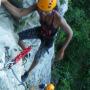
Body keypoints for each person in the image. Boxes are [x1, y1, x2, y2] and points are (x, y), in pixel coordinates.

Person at [1, 0, 73, 81]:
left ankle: (27, 73)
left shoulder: (58, 19)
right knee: (18, 37)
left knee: (37, 57)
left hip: (48, 40)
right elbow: (20, 12)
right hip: (40, 31)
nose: (42, 13)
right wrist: (4, 1)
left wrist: (62, 49)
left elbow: (70, 33)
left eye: (45, 12)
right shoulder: (39, 6)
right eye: (41, 10)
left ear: (52, 9)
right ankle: (26, 50)